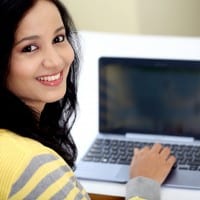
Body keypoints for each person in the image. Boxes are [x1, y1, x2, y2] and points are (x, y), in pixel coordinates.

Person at [0, 0, 176, 199]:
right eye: (30, 48)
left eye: (58, 38)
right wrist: (144, 182)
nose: (56, 61)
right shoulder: (31, 165)